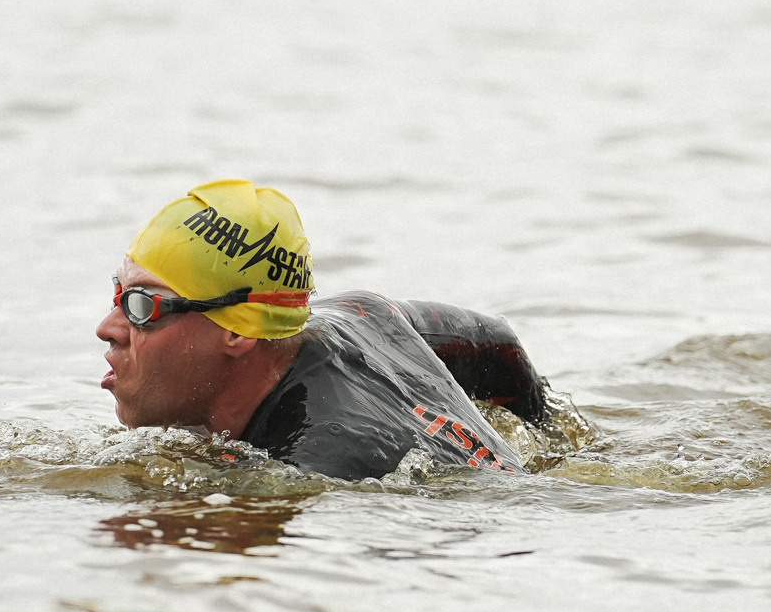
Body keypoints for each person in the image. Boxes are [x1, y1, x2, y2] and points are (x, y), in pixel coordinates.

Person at [97, 179, 555, 481]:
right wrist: (553, 440)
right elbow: (498, 343)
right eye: (117, 293)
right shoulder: (365, 315)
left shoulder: (320, 467)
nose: (108, 328)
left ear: (237, 331)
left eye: (143, 306)